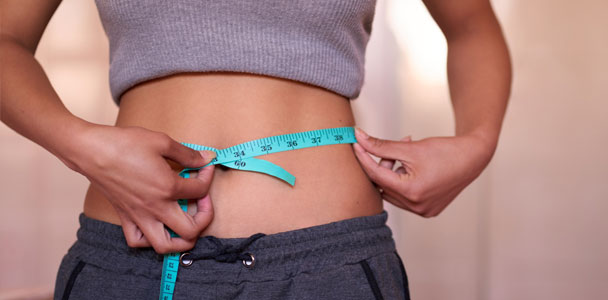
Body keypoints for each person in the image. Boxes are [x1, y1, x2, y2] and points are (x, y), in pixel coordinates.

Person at [0, 0, 510, 299]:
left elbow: (472, 27)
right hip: (129, 263)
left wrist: (477, 141)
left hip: (329, 265)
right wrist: (81, 144)